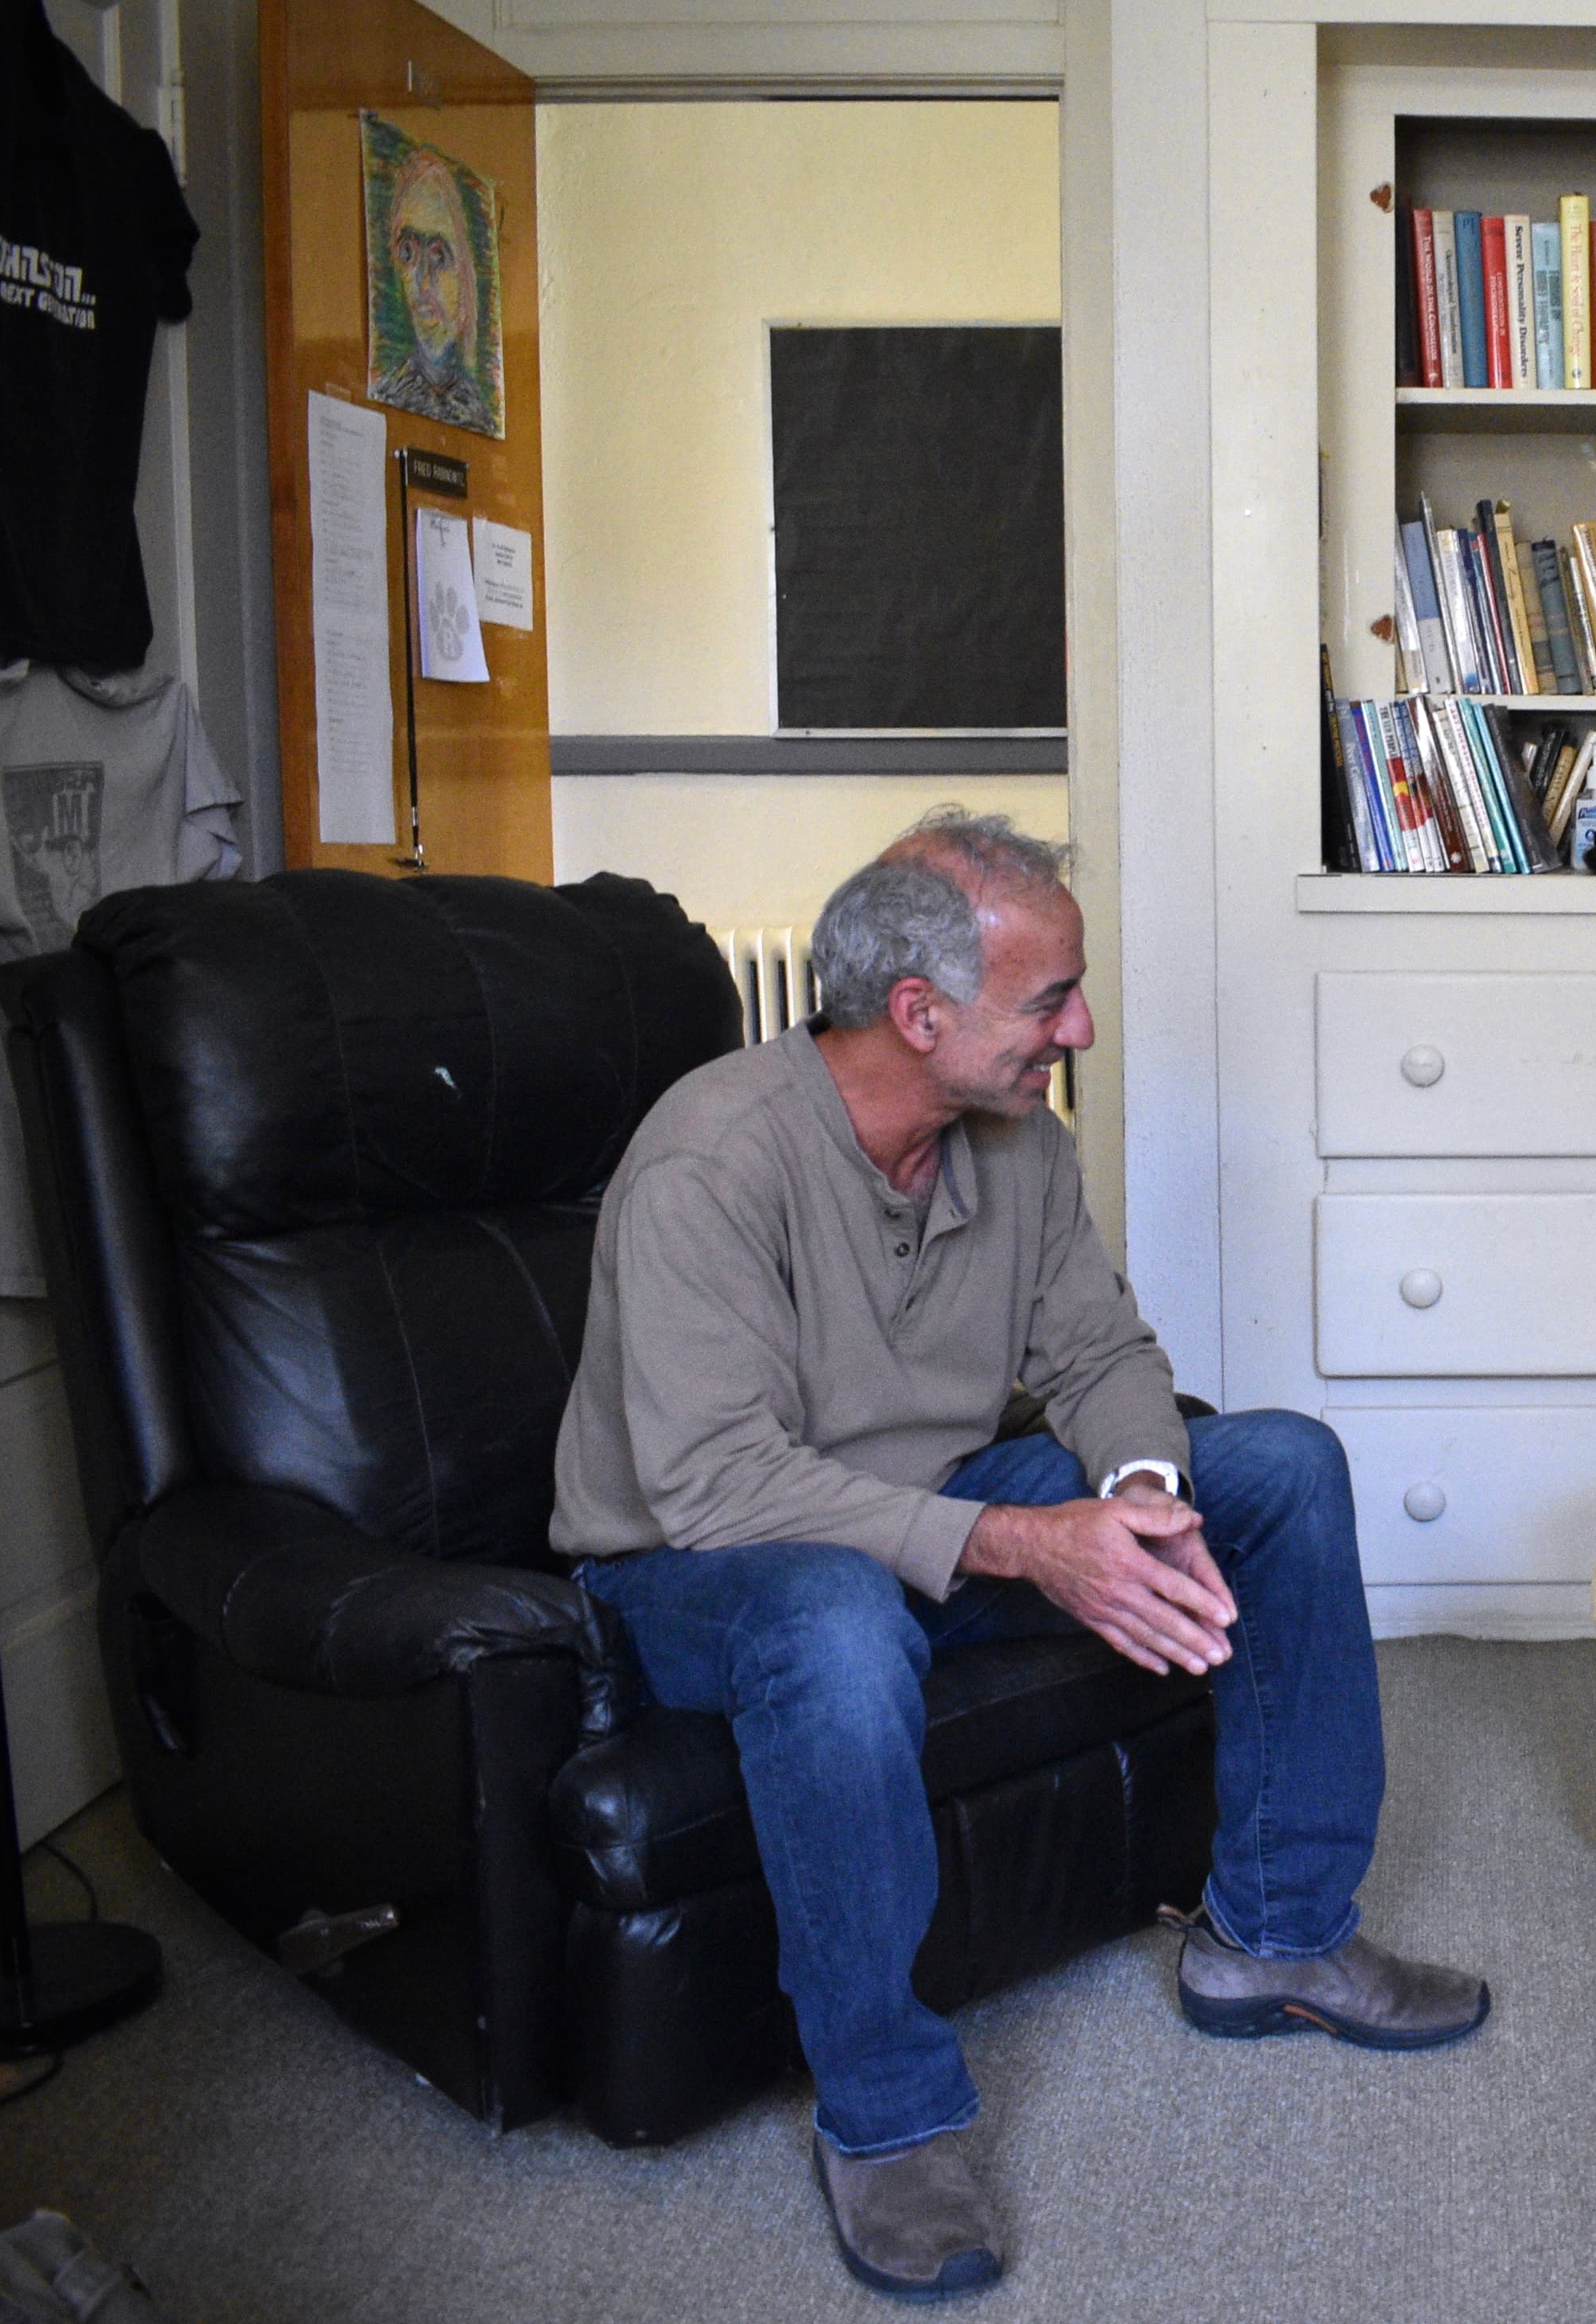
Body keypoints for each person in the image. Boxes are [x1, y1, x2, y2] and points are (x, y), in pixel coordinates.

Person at [553, 810, 1486, 2300]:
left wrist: (1130, 1497)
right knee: (838, 1622)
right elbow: (718, 1484)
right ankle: (887, 2113)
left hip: (931, 1508)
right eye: (1052, 998)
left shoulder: (1018, 1146)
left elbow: (1103, 1350)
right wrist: (1027, 1544)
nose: (1086, 1027)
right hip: (700, 1566)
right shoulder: (711, 1163)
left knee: (1282, 1470)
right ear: (917, 1014)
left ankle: (1278, 1935)